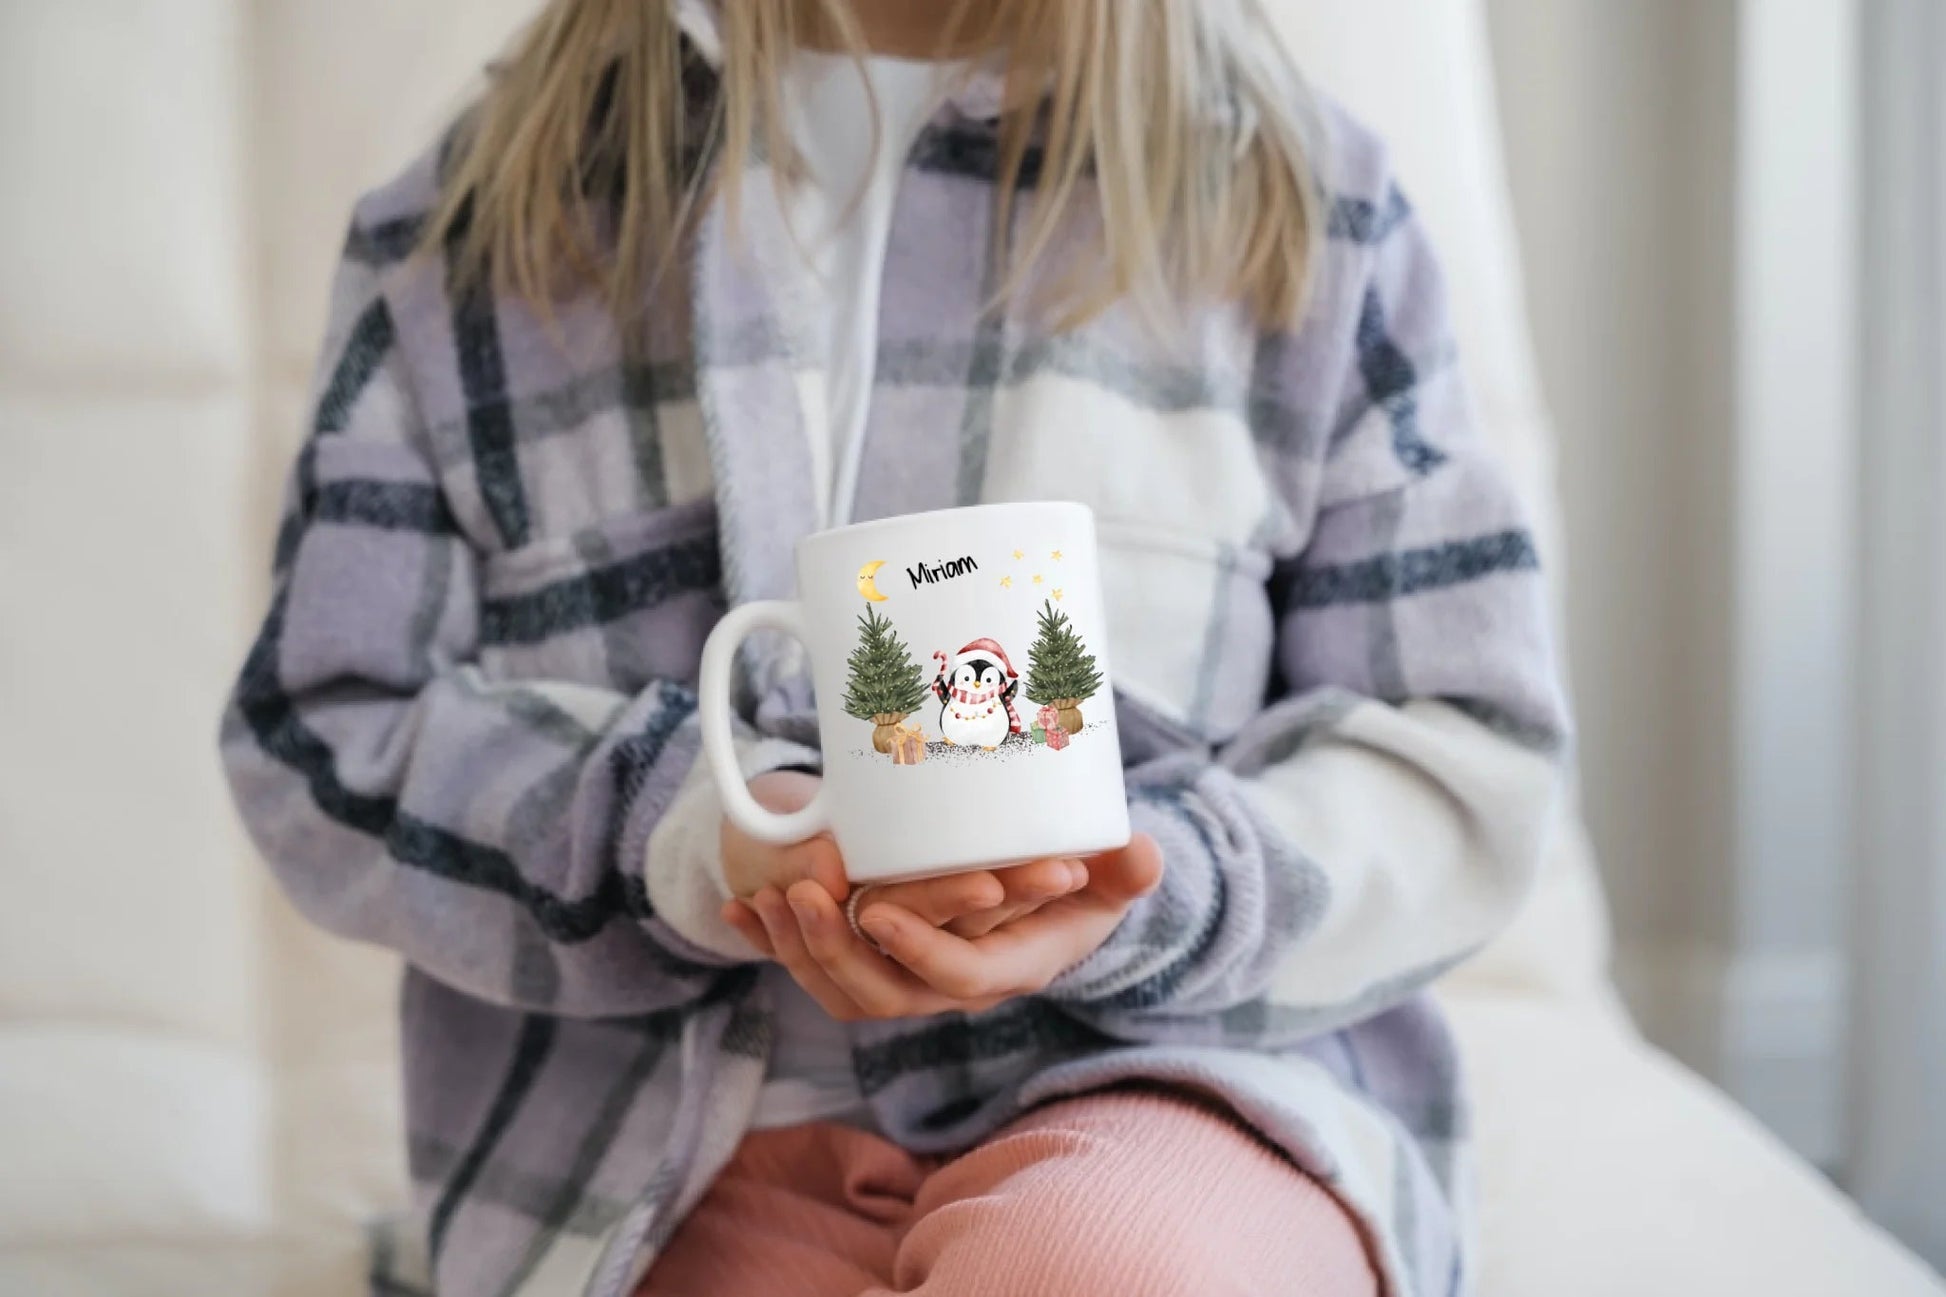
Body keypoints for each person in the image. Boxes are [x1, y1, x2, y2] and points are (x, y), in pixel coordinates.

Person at [219, 1, 1567, 1293]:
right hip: (660, 1157)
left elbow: (1456, 744)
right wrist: (687, 831)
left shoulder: (1305, 211)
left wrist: (1155, 889)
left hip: (1177, 1097)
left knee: (1102, 1269)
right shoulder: (465, 232)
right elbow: (323, 733)